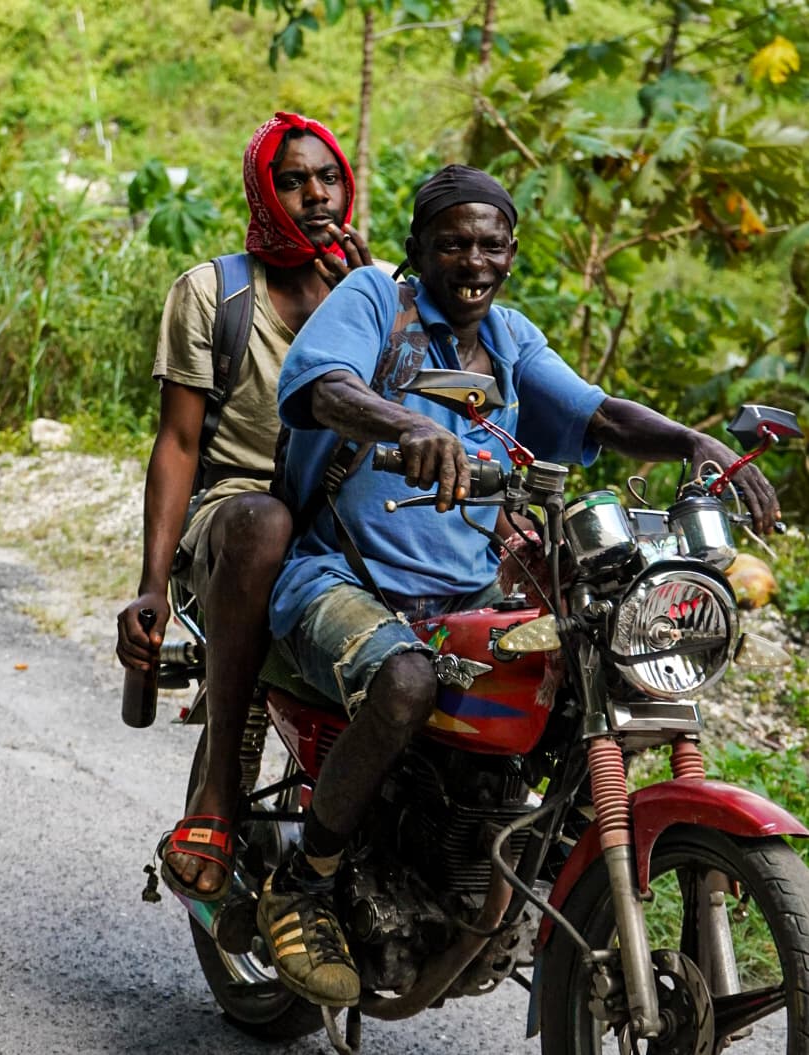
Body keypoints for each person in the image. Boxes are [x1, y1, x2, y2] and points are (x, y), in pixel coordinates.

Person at [256, 164, 781, 1008]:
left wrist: (695, 443)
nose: (474, 260)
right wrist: (411, 421)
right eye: (454, 242)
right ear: (419, 249)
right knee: (405, 680)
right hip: (340, 577)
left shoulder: (508, 338)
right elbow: (321, 388)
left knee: (591, 678)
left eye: (491, 243)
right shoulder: (370, 300)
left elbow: (600, 415)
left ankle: (514, 864)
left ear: (510, 251)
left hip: (469, 595)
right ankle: (307, 876)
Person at [115, 111, 374, 903]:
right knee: (267, 520)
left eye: (327, 177)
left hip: (348, 513)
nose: (315, 196)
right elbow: (179, 444)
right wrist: (152, 586)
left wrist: (376, 299)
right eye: (291, 181)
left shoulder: (380, 287)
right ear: (263, 191)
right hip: (237, 508)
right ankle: (221, 780)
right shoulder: (213, 292)